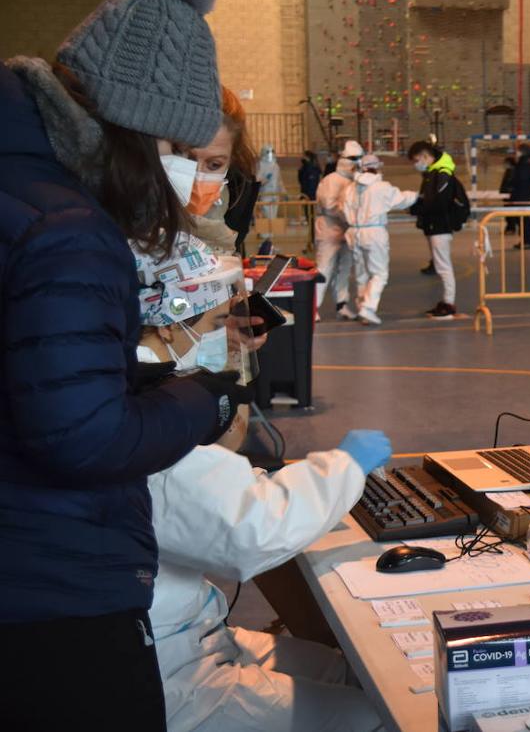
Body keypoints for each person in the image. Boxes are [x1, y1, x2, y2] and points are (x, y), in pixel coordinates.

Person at [0, 0, 252, 726]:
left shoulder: (19, 188)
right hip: (48, 590)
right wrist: (203, 396)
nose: (188, 180)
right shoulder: (69, 230)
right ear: (139, 134)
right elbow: (79, 436)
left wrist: (143, 372)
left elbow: (45, 369)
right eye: (182, 152)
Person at [133, 234, 388, 732]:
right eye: (212, 325)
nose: (223, 336)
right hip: (172, 679)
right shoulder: (145, 421)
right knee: (377, 716)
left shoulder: (138, 389)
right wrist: (346, 466)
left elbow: (215, 478)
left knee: (360, 673)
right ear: (169, 326)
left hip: (191, 634)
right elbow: (250, 531)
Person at [344, 154, 418, 325]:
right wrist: (416, 195)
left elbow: (343, 209)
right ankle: (368, 308)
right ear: (377, 167)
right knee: (379, 273)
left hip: (354, 233)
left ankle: (362, 306)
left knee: (362, 274)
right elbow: (400, 199)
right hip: (373, 232)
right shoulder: (381, 187)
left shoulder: (350, 188)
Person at [186, 85, 259, 256]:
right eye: (187, 159)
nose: (198, 177)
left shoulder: (237, 195)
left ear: (232, 158)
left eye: (214, 165)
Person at [409, 140, 468, 319]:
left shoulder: (442, 174)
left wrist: (414, 209)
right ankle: (446, 301)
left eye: (416, 160)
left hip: (440, 226)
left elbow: (437, 203)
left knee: (444, 266)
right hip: (434, 225)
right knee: (442, 265)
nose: (415, 164)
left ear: (426, 156)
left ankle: (449, 303)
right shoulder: (432, 174)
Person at [315, 140, 363, 319]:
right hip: (329, 229)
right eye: (353, 159)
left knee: (344, 268)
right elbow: (328, 205)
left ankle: (341, 304)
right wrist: (348, 215)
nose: (356, 162)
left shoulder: (356, 182)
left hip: (347, 230)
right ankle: (313, 307)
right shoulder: (331, 180)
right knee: (324, 268)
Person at [510, 143, 530, 249]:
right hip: (526, 193)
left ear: (521, 152)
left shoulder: (524, 163)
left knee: (523, 219)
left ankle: (527, 241)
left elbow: (521, 178)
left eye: (517, 151)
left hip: (522, 194)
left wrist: (513, 183)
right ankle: (525, 240)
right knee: (523, 219)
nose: (516, 154)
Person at [256, 143, 284, 220]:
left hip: (275, 195)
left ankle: (271, 232)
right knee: (268, 217)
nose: (270, 154)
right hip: (266, 195)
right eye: (268, 152)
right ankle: (266, 232)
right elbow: (258, 181)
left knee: (273, 217)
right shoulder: (261, 165)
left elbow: (279, 180)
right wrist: (265, 179)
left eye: (272, 152)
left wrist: (284, 192)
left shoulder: (276, 165)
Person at [298, 149, 322, 223]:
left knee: (311, 214)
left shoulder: (311, 169)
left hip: (311, 195)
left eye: (304, 156)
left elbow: (310, 183)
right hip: (306, 194)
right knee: (308, 214)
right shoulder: (304, 168)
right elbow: (301, 181)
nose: (302, 157)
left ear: (308, 157)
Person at [500, 154, 518, 234]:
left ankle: (511, 228)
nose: (504, 165)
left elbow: (508, 183)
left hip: (510, 196)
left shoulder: (512, 171)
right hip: (507, 195)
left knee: (511, 213)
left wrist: (506, 191)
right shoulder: (509, 171)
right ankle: (510, 227)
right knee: (508, 213)